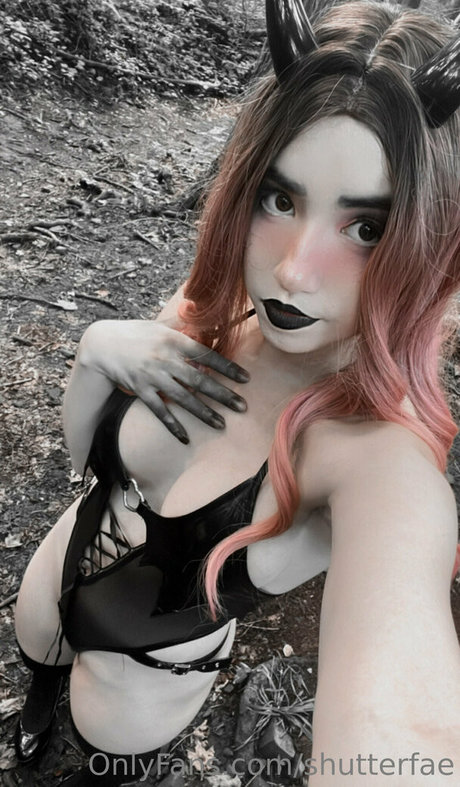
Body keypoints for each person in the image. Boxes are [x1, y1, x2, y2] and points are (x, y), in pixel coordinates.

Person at [13, 0, 460, 783]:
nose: (293, 272)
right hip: (47, 601)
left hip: (127, 713)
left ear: (432, 245)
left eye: (366, 229)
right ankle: (37, 703)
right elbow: (85, 465)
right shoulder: (212, 316)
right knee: (37, 693)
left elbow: (406, 724)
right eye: (280, 199)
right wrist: (95, 355)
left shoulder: (371, 459)